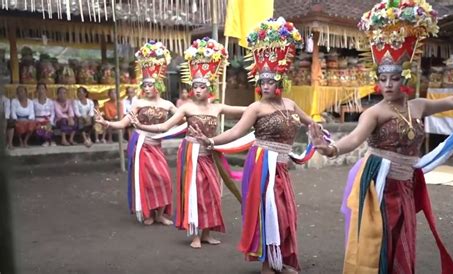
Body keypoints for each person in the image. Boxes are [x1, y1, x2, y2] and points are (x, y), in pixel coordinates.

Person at [311, 2, 453, 273]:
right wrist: (331, 149)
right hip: (378, 185)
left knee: (403, 239)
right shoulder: (374, 113)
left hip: (405, 185)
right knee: (378, 244)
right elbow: (355, 139)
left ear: (405, 77)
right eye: (382, 79)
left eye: (394, 78)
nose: (387, 85)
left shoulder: (418, 106)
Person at [186, 19, 322, 274]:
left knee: (285, 213)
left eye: (271, 81)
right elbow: (237, 131)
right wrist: (212, 141)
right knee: (266, 211)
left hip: (282, 167)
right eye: (263, 81)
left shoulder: (291, 105)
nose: (266, 85)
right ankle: (266, 263)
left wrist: (318, 134)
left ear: (280, 81)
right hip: (262, 166)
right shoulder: (256, 107)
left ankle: (282, 259)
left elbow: (310, 122)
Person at [131, 37, 246, 249]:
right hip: (191, 153)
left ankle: (207, 233)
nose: (199, 90)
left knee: (212, 193)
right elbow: (164, 127)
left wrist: (265, 105)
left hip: (210, 154)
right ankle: (194, 234)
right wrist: (141, 126)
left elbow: (246, 111)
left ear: (209, 87)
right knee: (195, 193)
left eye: (202, 86)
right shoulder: (186, 108)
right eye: (195, 86)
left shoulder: (217, 107)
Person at [96, 41, 176, 226]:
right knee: (146, 180)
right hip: (141, 145)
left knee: (164, 178)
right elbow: (124, 123)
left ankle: (160, 214)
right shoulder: (138, 103)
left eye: (149, 85)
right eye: (144, 85)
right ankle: (148, 213)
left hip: (157, 146)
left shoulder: (167, 105)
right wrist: (106, 122)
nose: (146, 88)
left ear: (158, 85)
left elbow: (184, 118)